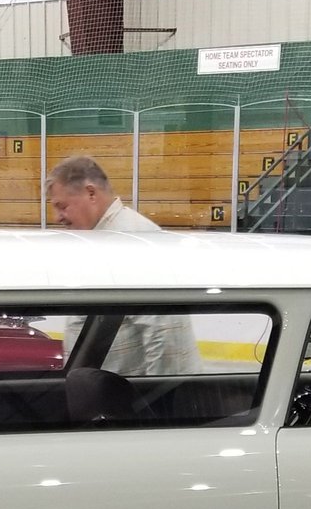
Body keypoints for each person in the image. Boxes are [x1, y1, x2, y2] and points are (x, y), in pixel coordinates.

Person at [45, 155, 202, 377]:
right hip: (109, 390)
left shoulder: (132, 244)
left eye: (62, 206)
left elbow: (165, 337)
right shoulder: (106, 241)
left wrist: (155, 395)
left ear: (91, 193)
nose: (57, 217)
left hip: (130, 395)